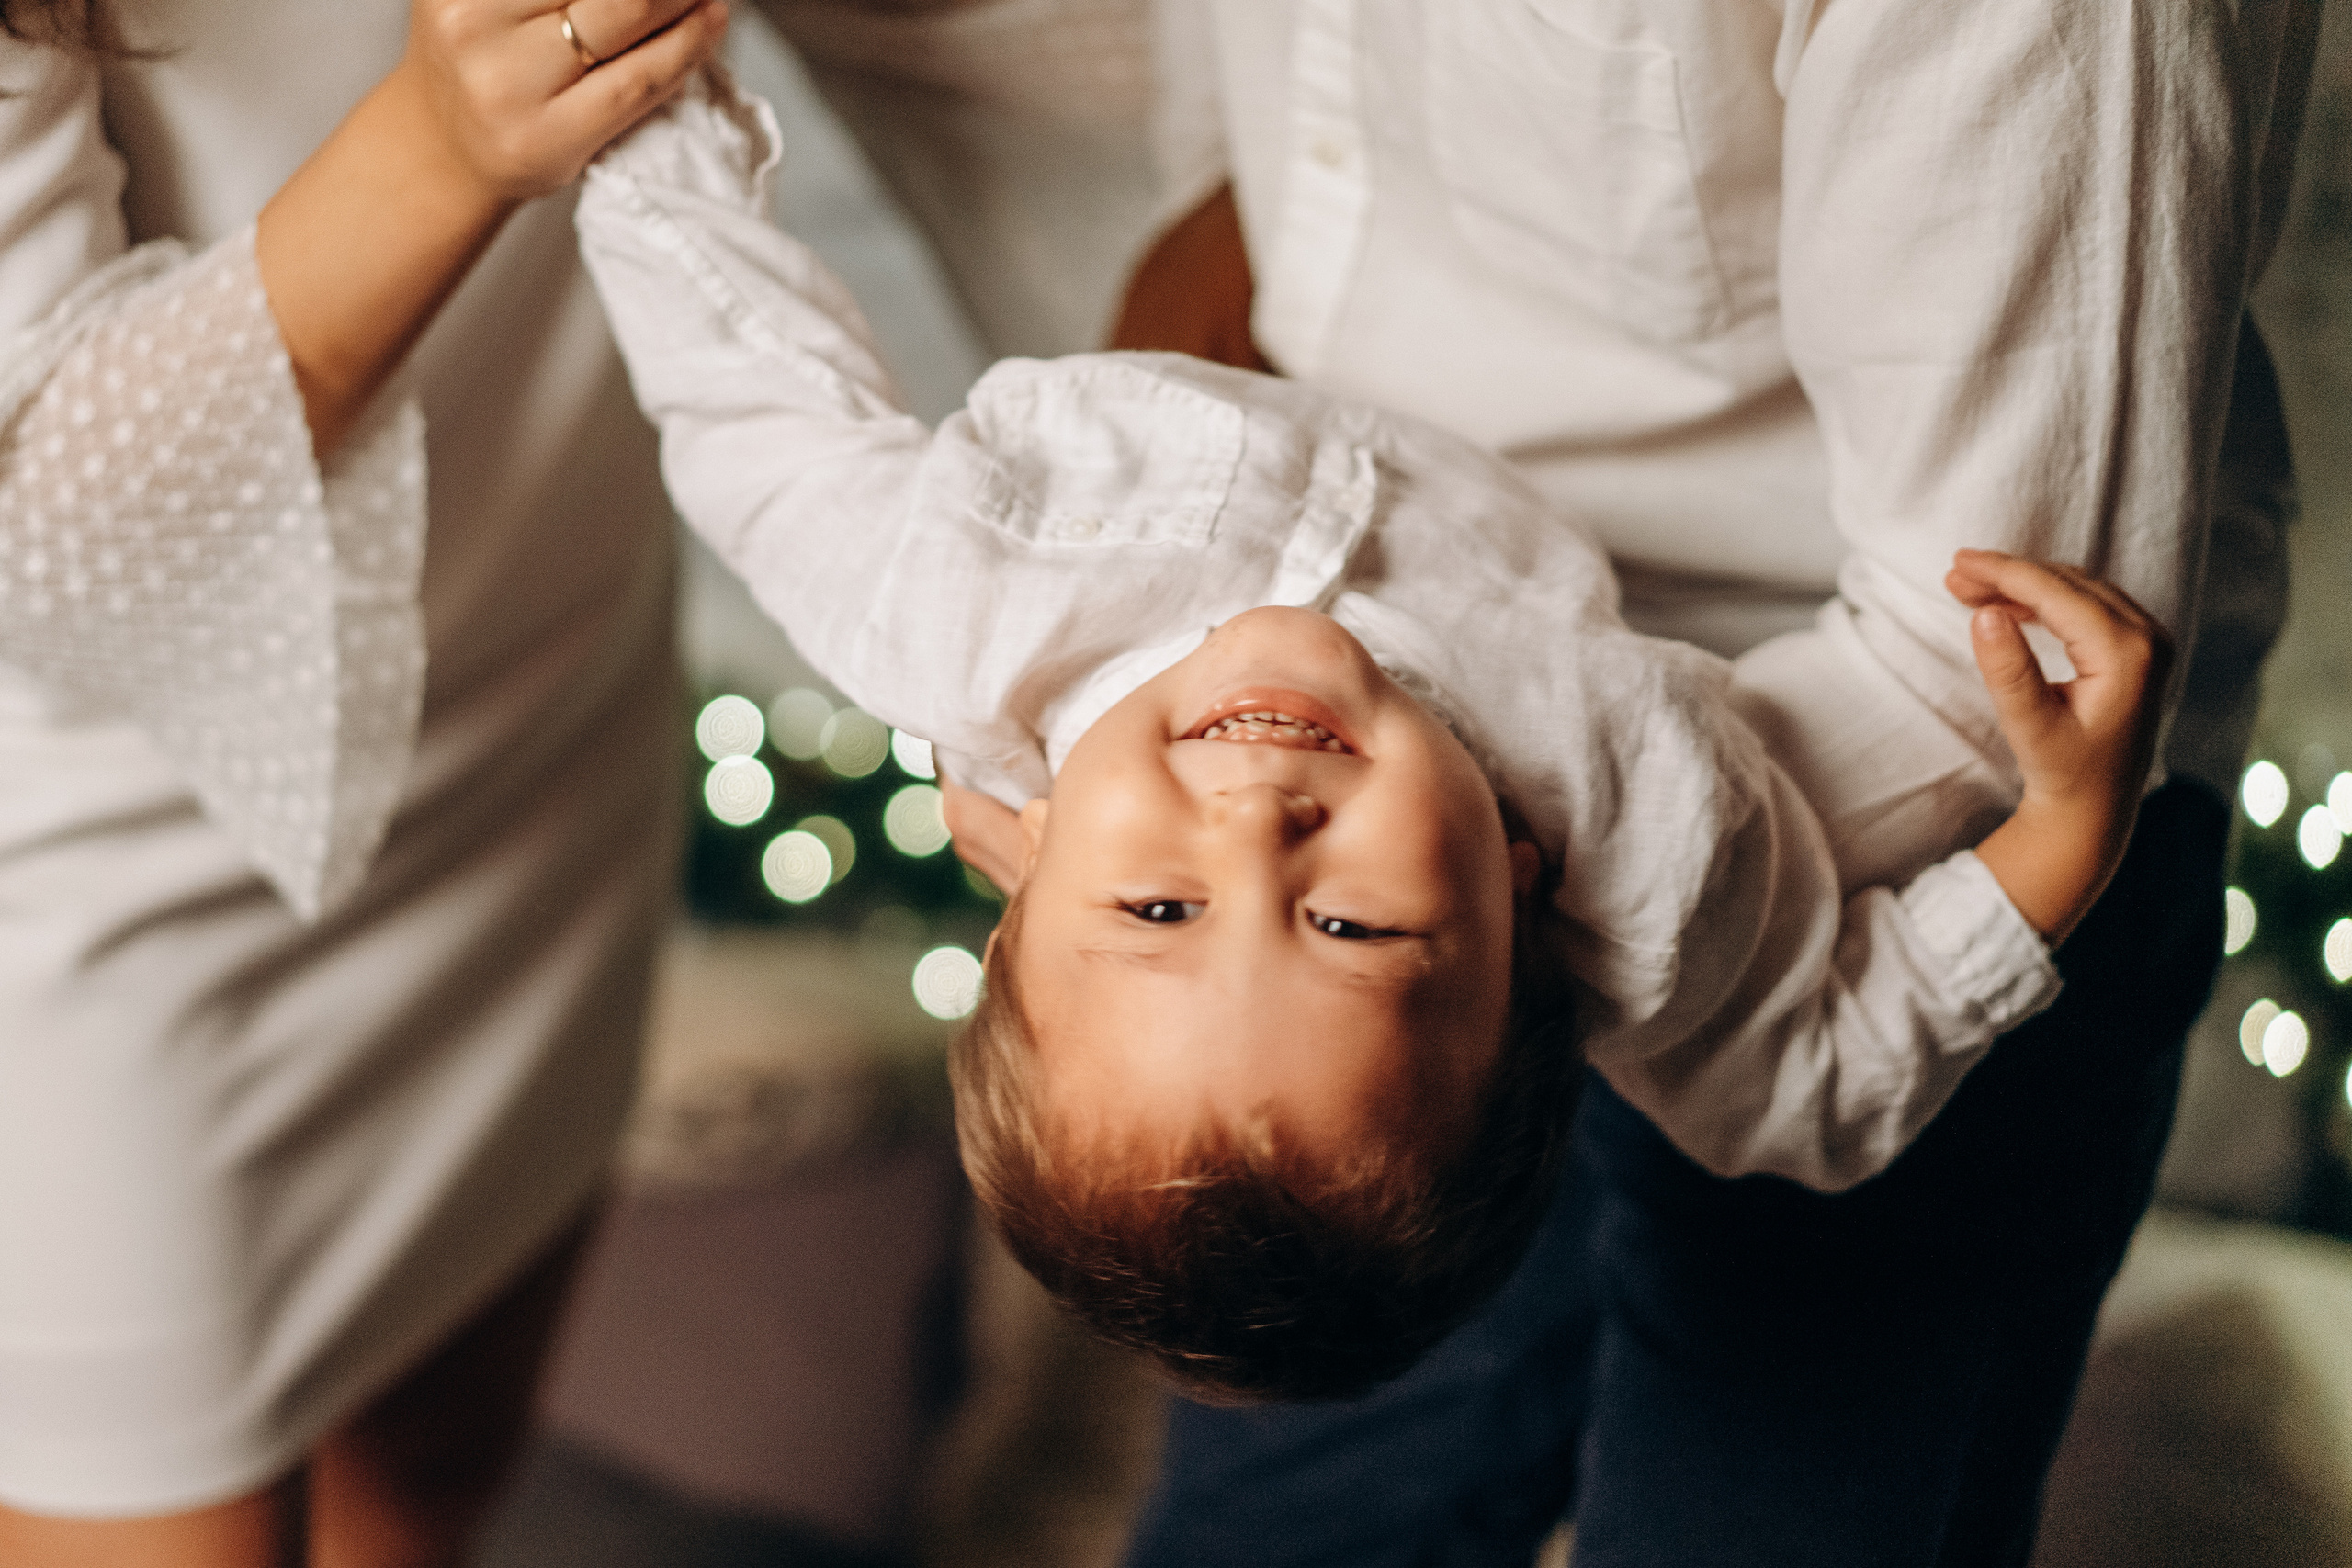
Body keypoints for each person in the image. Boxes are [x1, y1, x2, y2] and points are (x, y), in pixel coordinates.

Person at [572, 76, 2165, 1399]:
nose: (1257, 833)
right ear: (1533, 907)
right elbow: (1806, 1097)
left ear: (1022, 854)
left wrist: (635, 108)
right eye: (1351, 922)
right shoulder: (1668, 853)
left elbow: (754, 419)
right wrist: (2060, 842)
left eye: (1152, 910)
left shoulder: (961, 617)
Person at [1082, 4, 2317, 1564]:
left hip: (1909, 819)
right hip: (1419, 732)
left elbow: (1992, 669)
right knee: (1280, 1536)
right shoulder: (1320, 899)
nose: (1245, 856)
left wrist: (1406, 885)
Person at [0, 1, 722, 1562]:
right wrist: (446, 143)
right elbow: (34, 525)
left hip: (543, 685)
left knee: (428, 1489)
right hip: (104, 854)